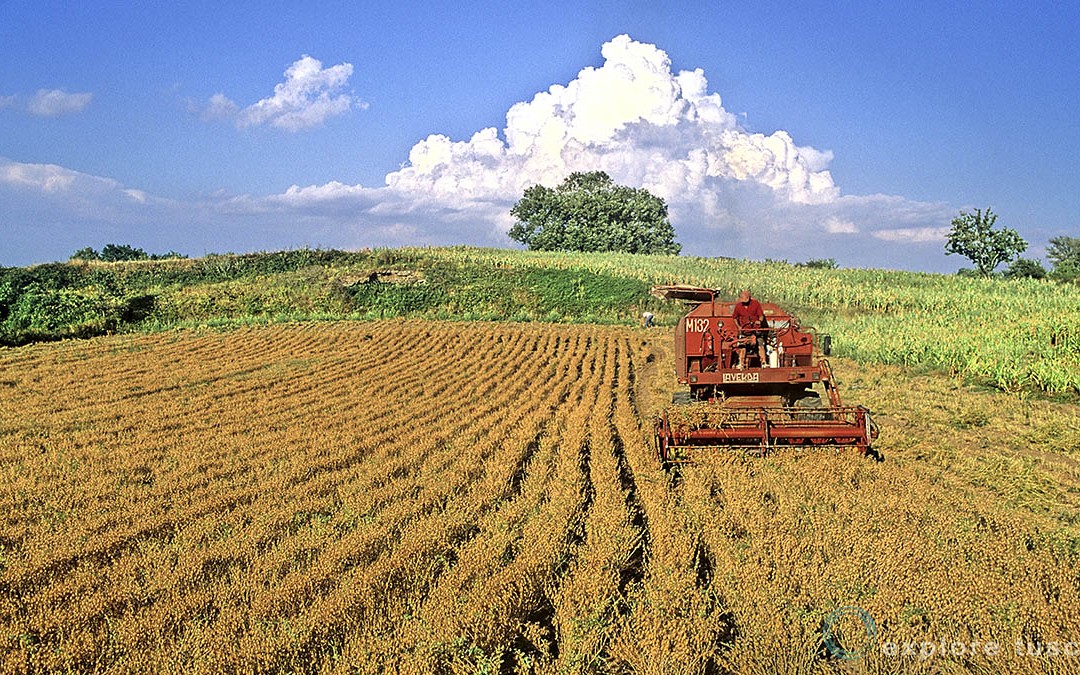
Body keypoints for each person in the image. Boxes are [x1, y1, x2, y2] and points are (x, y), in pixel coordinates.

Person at [732, 289, 767, 368]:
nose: (744, 302)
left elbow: (761, 315)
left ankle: (764, 362)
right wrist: (739, 327)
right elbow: (734, 317)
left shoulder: (756, 304)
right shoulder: (738, 306)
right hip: (745, 330)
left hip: (756, 329)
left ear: (749, 298)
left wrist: (759, 321)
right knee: (742, 346)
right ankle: (741, 363)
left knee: (760, 343)